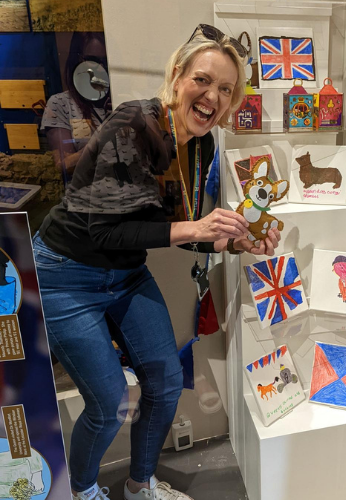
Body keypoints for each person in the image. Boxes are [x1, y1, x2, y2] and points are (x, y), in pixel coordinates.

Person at [38, 26, 277, 500]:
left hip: (125, 273)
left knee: (166, 383)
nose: (213, 96)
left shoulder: (203, 145)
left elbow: (184, 228)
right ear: (177, 75)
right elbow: (101, 230)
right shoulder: (134, 124)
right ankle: (83, 492)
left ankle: (139, 485)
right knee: (107, 403)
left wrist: (233, 245)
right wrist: (197, 228)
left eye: (226, 89)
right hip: (66, 274)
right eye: (203, 80)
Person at [41, 33, 112, 176]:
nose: (100, 68)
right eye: (92, 60)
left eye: (105, 61)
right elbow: (64, 165)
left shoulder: (122, 100)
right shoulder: (61, 104)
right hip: (88, 194)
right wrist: (107, 132)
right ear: (77, 60)